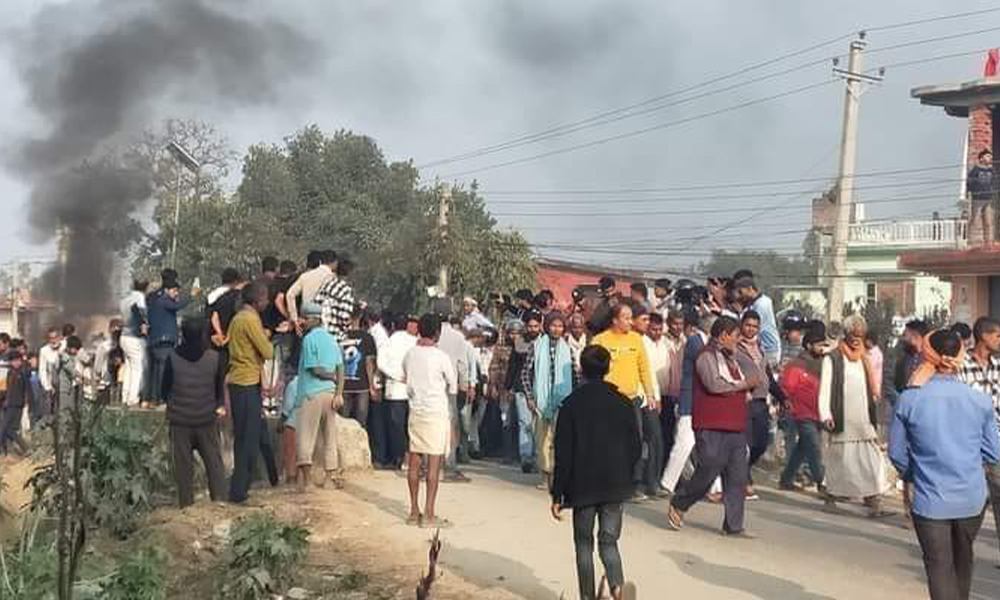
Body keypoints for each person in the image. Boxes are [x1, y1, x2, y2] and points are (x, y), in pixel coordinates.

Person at [891, 328, 1000, 600]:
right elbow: (994, 452)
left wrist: (916, 473)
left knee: (939, 567)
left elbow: (896, 453)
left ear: (927, 355)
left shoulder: (909, 399)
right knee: (964, 561)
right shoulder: (980, 400)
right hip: (971, 499)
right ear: (961, 354)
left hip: (930, 500)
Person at [551, 345, 640, 600]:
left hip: (582, 487)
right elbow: (635, 445)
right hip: (615, 485)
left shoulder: (571, 405)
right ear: (608, 368)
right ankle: (617, 588)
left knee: (583, 545)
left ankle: (588, 597)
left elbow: (563, 453)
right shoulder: (623, 403)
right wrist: (627, 476)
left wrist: (558, 494)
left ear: (581, 370)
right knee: (609, 543)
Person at [666, 316, 759, 537]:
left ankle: (733, 524)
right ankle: (680, 502)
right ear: (723, 335)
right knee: (708, 469)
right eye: (735, 336)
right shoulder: (705, 357)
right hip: (711, 424)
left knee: (737, 477)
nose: (738, 341)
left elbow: (756, 375)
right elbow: (715, 385)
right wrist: (744, 385)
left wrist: (746, 374)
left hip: (735, 425)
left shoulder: (734, 359)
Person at [819, 315, 893, 517]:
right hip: (841, 417)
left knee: (871, 459)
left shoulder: (864, 359)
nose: (856, 339)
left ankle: (873, 499)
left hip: (863, 418)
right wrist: (825, 414)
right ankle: (831, 496)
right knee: (840, 460)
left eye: (860, 335)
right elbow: (825, 388)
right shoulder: (832, 358)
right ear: (847, 334)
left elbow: (870, 388)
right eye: (853, 335)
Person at [162, 318, 226, 507]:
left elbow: (164, 390)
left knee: (184, 469)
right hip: (206, 420)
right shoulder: (214, 358)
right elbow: (218, 391)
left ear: (182, 333)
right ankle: (220, 502)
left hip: (180, 422)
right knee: (214, 464)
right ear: (203, 334)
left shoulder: (172, 357)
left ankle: (186, 506)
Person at [403, 313, 457, 528]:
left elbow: (406, 376)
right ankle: (429, 513)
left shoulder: (410, 354)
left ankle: (413, 511)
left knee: (414, 462)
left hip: (416, 411)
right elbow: (452, 386)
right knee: (433, 467)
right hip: (436, 412)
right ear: (437, 333)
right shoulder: (441, 357)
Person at [226, 282, 275, 504]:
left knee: (242, 437)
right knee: (249, 439)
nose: (268, 302)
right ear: (257, 301)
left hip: (239, 380)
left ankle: (239, 486)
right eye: (265, 298)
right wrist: (266, 334)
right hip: (247, 383)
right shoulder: (251, 320)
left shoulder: (237, 318)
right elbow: (267, 351)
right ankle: (239, 490)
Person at [957, 316, 1000, 565]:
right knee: (972, 502)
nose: (998, 340)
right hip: (970, 445)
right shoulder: (961, 364)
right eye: (996, 335)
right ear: (983, 336)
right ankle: (962, 550)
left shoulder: (997, 365)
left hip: (996, 443)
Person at [660, 312, 714, 495]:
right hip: (690, 401)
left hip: (704, 401)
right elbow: (706, 365)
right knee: (683, 443)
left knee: (707, 446)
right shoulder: (695, 341)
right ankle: (667, 483)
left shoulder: (706, 342)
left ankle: (712, 486)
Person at [521, 312, 576, 490]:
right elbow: (525, 374)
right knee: (542, 440)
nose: (556, 329)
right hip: (541, 402)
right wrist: (530, 396)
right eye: (553, 325)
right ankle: (545, 476)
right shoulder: (536, 347)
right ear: (547, 326)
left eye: (560, 326)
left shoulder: (567, 349)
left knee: (558, 440)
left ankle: (556, 476)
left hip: (562, 402)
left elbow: (574, 375)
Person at [294, 301, 345, 492]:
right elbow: (341, 368)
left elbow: (314, 369)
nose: (302, 322)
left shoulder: (309, 340)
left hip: (311, 393)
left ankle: (307, 482)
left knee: (306, 438)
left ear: (312, 319)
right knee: (330, 437)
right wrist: (339, 392)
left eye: (304, 318)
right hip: (330, 395)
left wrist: (328, 375)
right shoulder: (332, 339)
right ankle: (329, 479)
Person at [778, 326, 827, 492]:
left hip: (818, 414)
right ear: (808, 345)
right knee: (813, 447)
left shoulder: (824, 365)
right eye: (819, 345)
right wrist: (786, 407)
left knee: (802, 448)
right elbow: (786, 388)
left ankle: (786, 479)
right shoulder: (796, 364)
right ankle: (822, 483)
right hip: (801, 414)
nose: (822, 348)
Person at [374, 314, 418, 469]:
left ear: (392, 325)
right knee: (410, 426)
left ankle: (400, 457)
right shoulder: (414, 342)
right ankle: (410, 456)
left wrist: (396, 376)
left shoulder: (388, 342)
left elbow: (381, 364)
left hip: (394, 390)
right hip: (412, 391)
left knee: (396, 427)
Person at [734, 311, 770, 500]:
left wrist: (781, 397)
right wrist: (743, 389)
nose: (751, 329)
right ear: (742, 325)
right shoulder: (735, 347)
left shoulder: (760, 347)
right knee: (746, 444)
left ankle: (744, 470)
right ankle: (744, 481)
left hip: (762, 401)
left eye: (755, 326)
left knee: (762, 443)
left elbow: (767, 374)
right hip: (744, 400)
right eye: (748, 325)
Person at [630, 303, 663, 501]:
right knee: (635, 441)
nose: (647, 323)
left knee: (656, 439)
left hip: (648, 397)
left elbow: (650, 372)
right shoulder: (629, 341)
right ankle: (633, 485)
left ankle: (653, 483)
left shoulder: (648, 343)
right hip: (632, 396)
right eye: (643, 320)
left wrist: (655, 396)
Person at [146, 276, 197, 405]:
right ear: (166, 290)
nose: (176, 293)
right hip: (164, 341)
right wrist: (191, 295)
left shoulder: (155, 302)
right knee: (163, 370)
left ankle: (154, 398)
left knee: (157, 371)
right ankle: (162, 397)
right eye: (174, 290)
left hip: (156, 340)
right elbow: (178, 306)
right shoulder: (164, 301)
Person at [510, 311, 544, 473]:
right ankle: (526, 458)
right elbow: (513, 367)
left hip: (541, 389)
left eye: (535, 326)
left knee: (539, 425)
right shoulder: (519, 343)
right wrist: (507, 387)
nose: (532, 329)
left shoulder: (545, 343)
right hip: (521, 388)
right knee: (525, 423)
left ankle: (539, 458)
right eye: (530, 326)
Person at [341, 306, 377, 431]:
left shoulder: (341, 337)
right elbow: (369, 363)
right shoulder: (367, 338)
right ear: (361, 317)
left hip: (344, 385)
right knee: (360, 426)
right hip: (362, 386)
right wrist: (372, 386)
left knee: (342, 424)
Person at [732, 277, 780, 367]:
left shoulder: (762, 304)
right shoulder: (754, 303)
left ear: (750, 289)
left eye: (741, 292)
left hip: (768, 349)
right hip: (760, 348)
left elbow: (749, 323)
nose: (740, 296)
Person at [119, 279, 149, 406]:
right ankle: (133, 398)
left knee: (129, 367)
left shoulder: (125, 299)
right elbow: (142, 315)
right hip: (134, 337)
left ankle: (125, 396)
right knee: (138, 369)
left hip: (123, 336)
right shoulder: (140, 297)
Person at [287, 249, 337, 326]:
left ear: (320, 261)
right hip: (325, 320)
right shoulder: (333, 279)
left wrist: (294, 318)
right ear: (335, 263)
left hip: (305, 320)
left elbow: (290, 295)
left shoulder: (305, 276)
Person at [314, 254, 357, 343]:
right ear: (351, 272)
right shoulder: (346, 290)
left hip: (320, 335)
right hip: (336, 339)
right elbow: (344, 318)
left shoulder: (327, 285)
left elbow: (316, 306)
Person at [0, 352, 31, 456]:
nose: (16, 363)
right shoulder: (10, 372)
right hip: (9, 404)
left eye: (17, 360)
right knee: (8, 428)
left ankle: (24, 448)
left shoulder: (22, 373)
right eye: (13, 361)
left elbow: (27, 389)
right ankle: (20, 449)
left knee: (7, 428)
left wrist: (27, 402)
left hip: (17, 404)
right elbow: (7, 389)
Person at [967, 148, 995, 246]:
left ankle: (989, 242)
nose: (990, 158)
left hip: (988, 199)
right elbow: (969, 182)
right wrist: (972, 192)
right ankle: (972, 242)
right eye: (987, 156)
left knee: (988, 222)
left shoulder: (992, 170)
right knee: (974, 220)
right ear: (981, 158)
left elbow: (994, 182)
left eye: (991, 157)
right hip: (977, 199)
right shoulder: (975, 169)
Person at [894, 319, 930, 396]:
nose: (903, 338)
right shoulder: (902, 357)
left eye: (905, 335)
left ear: (915, 335)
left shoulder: (930, 360)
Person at [38, 327, 62, 408]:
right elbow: (42, 370)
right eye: (51, 338)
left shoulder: (64, 348)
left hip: (64, 386)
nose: (53, 340)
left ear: (59, 337)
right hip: (51, 385)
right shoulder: (44, 350)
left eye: (55, 337)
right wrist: (47, 386)